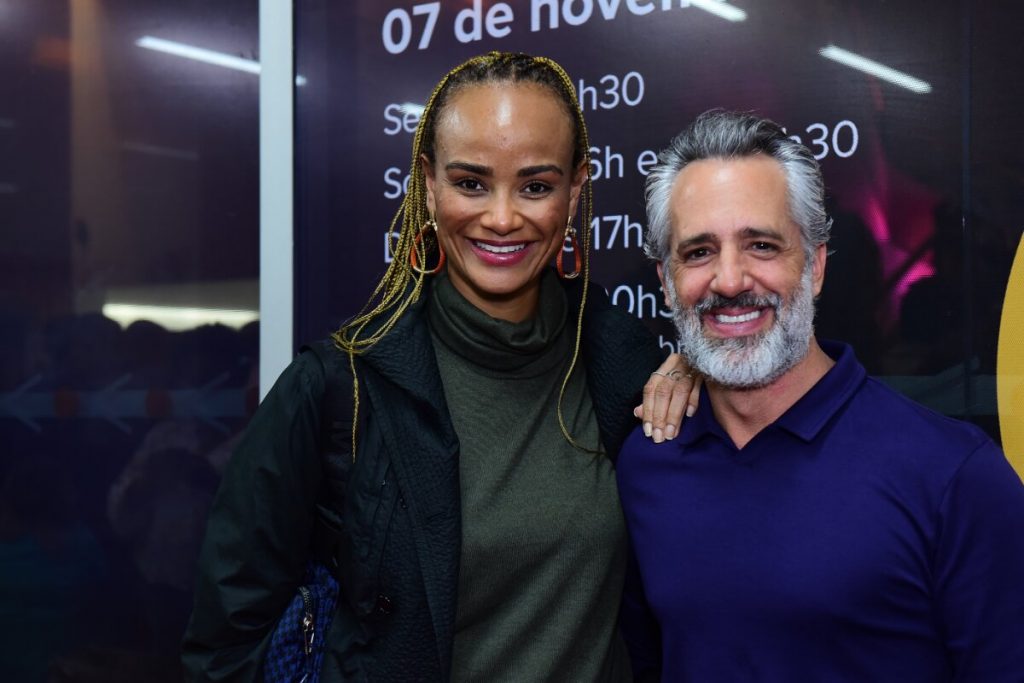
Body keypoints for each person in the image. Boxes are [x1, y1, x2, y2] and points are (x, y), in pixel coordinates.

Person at [182, 52, 696, 681]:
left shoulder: (627, 367)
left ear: (574, 191)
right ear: (428, 184)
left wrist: (703, 374)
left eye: (535, 186)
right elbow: (224, 648)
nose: (502, 217)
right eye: (471, 183)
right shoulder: (335, 389)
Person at [616, 110, 1024, 681]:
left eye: (761, 245)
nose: (729, 281)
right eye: (699, 252)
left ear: (815, 266)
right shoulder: (646, 463)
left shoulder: (955, 476)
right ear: (665, 281)